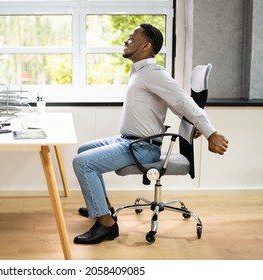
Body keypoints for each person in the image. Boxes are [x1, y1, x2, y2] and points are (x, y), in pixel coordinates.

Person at [72, 23, 229, 245]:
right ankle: (102, 208)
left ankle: (107, 225)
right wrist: (190, 125)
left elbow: (184, 102)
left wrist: (211, 133)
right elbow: (176, 106)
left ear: (146, 46)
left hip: (142, 147)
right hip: (127, 140)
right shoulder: (140, 72)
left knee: (83, 162)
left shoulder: (154, 74)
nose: (126, 41)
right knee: (83, 150)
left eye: (131, 38)